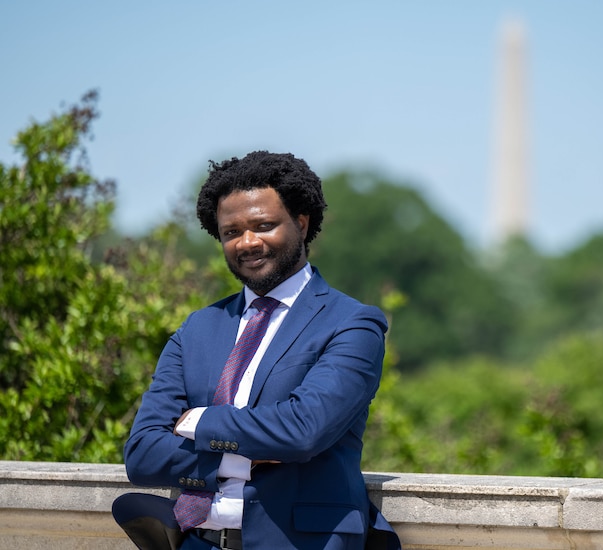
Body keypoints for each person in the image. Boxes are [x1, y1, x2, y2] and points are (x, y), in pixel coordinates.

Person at [112, 151, 401, 550]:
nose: (247, 242)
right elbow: (142, 455)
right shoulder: (198, 328)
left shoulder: (351, 324)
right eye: (231, 232)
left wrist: (199, 422)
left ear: (301, 223)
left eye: (263, 226)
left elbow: (303, 431)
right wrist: (241, 457)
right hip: (197, 542)